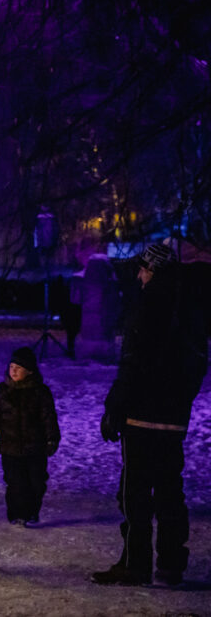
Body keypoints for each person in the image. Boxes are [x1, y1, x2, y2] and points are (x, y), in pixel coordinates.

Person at [92, 243, 210, 586]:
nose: (139, 275)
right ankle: (171, 563)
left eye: (142, 269)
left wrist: (116, 406)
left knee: (135, 490)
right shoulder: (191, 307)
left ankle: (136, 562)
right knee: (171, 488)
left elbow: (133, 361)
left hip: (142, 414)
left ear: (151, 268)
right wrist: (180, 399)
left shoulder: (147, 305)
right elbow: (198, 361)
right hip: (173, 417)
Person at [0, 346, 60, 526]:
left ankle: (32, 512)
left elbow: (49, 417)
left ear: (29, 371)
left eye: (18, 367)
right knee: (15, 483)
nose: (13, 371)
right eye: (11, 367)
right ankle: (17, 514)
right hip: (10, 447)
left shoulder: (40, 392)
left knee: (36, 482)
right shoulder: (3, 391)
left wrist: (52, 438)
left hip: (35, 447)